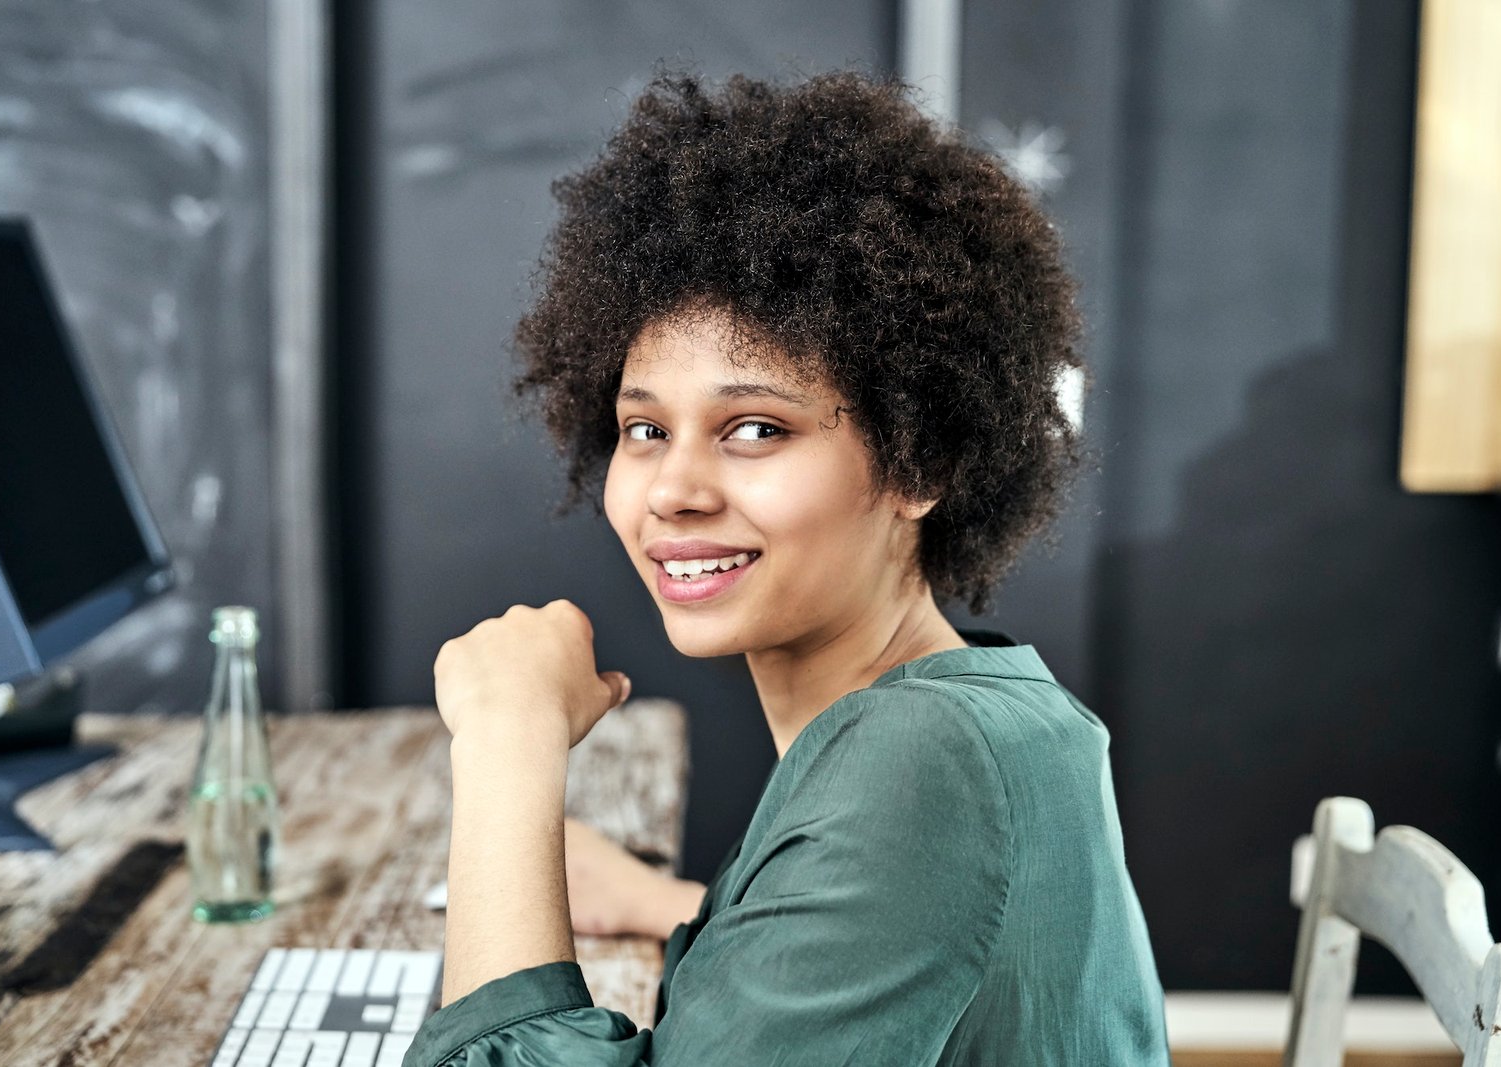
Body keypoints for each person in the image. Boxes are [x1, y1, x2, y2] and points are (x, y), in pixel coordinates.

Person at [404, 67, 1169, 1066]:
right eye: (643, 427)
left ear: (920, 459)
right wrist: (670, 903)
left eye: (754, 427)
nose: (673, 488)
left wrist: (509, 745)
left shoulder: (925, 761)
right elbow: (908, 936)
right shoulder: (972, 713)